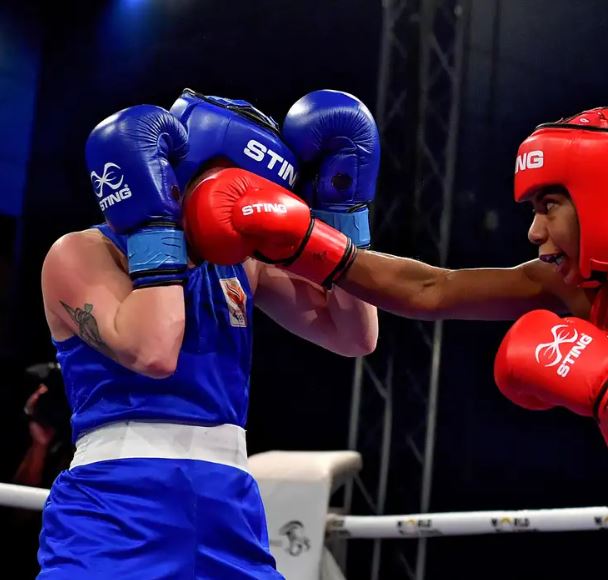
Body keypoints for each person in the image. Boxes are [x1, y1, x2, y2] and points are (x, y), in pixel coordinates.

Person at [186, 106, 608, 578]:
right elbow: (432, 290)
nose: (534, 234)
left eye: (547, 206)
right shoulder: (576, 291)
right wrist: (304, 242)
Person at [37, 88, 380, 578]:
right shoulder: (81, 253)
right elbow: (154, 351)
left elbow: (354, 336)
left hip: (230, 505)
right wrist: (159, 225)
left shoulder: (243, 264)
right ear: (175, 172)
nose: (242, 206)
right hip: (119, 503)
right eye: (234, 188)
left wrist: (344, 211)